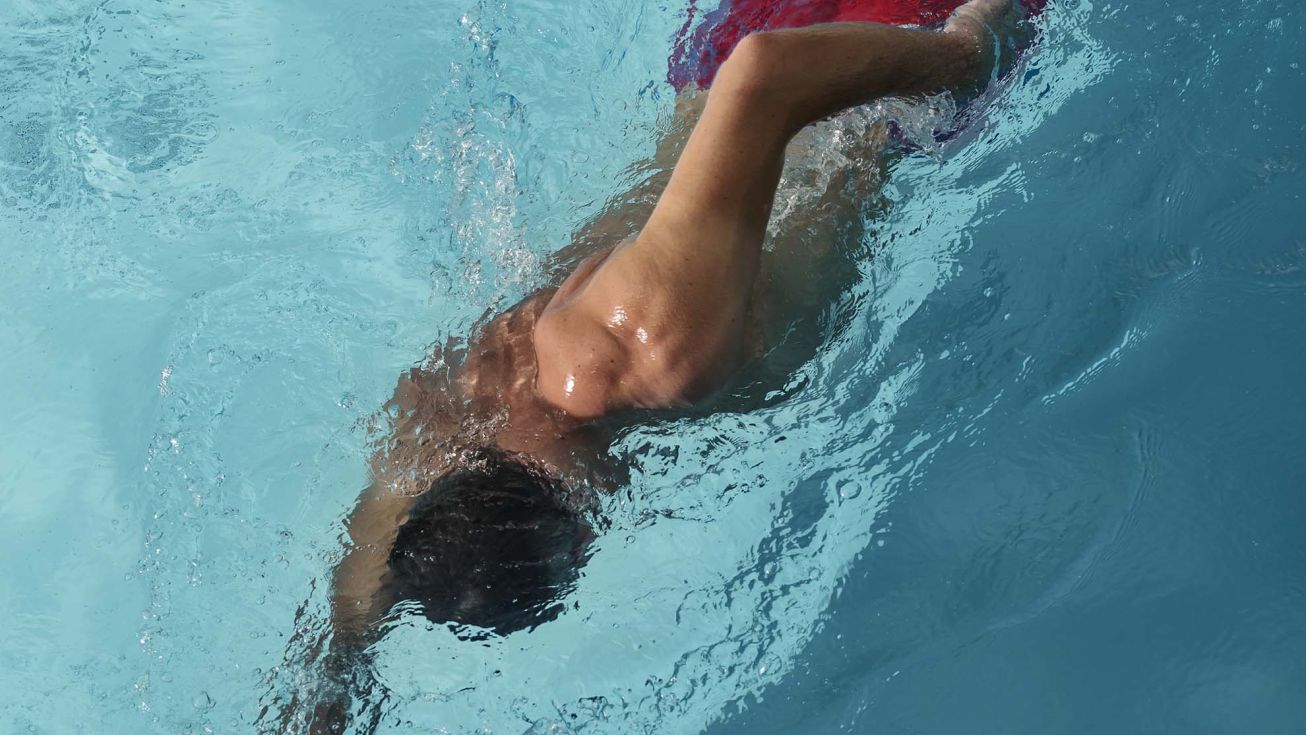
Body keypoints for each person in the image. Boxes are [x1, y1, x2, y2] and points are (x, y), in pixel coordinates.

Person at [326, 0, 1033, 681]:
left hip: (869, 55)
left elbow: (765, 77)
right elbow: (364, 577)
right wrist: (336, 678)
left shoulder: (646, 357)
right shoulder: (446, 423)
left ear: (582, 539)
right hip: (725, 63)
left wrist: (967, 50)